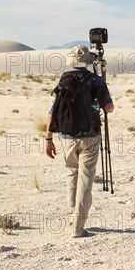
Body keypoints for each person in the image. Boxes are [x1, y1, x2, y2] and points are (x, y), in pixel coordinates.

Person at [45, 45, 114, 238]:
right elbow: (108, 108)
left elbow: (51, 113)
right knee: (85, 180)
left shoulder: (63, 81)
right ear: (89, 63)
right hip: (90, 136)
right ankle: (78, 226)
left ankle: (72, 216)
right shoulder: (96, 80)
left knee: (72, 175)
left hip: (66, 136)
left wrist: (48, 139)